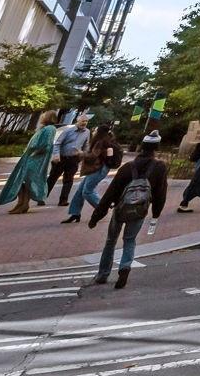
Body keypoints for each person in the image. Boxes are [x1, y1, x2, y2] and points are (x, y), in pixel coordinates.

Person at [89, 131, 166, 288]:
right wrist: (156, 213)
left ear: (141, 147)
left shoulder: (128, 168)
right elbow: (160, 192)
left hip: (120, 208)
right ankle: (124, 268)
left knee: (111, 241)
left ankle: (103, 274)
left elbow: (111, 192)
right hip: (140, 209)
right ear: (156, 148)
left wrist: (96, 216)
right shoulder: (159, 168)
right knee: (130, 240)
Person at [0, 111, 59, 214]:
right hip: (31, 157)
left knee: (25, 181)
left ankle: (24, 204)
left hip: (35, 159)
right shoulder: (45, 128)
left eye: (44, 116)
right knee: (21, 180)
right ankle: (21, 203)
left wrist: (35, 152)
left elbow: (46, 145)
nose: (41, 117)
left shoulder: (49, 129)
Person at [63, 125, 122, 223]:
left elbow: (93, 156)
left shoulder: (100, 142)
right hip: (97, 168)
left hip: (97, 168)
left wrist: (81, 153)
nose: (94, 131)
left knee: (87, 191)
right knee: (80, 190)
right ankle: (75, 213)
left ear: (99, 132)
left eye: (96, 130)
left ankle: (102, 209)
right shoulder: (106, 140)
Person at [50, 115, 90, 206]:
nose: (84, 123)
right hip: (61, 158)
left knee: (69, 179)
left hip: (74, 159)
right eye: (83, 121)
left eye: (86, 121)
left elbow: (86, 145)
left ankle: (63, 200)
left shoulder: (87, 132)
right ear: (77, 121)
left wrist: (83, 153)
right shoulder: (68, 131)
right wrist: (56, 155)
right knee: (53, 178)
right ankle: (42, 197)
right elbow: (57, 143)